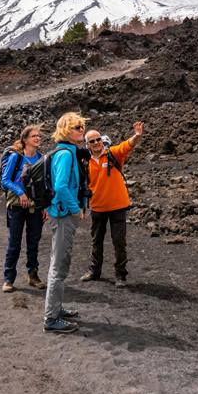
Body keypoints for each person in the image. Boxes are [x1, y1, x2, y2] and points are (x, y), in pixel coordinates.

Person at [80, 122, 143, 288]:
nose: (96, 143)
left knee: (119, 241)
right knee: (96, 241)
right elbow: (82, 185)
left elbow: (127, 145)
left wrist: (137, 135)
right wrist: (82, 206)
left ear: (102, 139)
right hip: (97, 207)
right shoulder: (84, 162)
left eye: (98, 139)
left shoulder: (113, 154)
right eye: (92, 141)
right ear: (87, 145)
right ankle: (94, 271)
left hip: (118, 206)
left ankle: (120, 275)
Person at [43, 112, 88, 334]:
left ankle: (56, 309)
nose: (81, 130)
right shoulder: (66, 154)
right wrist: (75, 208)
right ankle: (51, 318)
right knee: (59, 266)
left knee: (60, 263)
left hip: (62, 214)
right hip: (63, 215)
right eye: (76, 127)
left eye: (82, 127)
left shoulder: (70, 152)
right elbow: (60, 186)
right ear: (65, 131)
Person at [1, 124, 46, 293]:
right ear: (25, 139)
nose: (37, 138)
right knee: (14, 242)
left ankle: (33, 276)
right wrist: (20, 193)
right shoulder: (16, 158)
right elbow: (5, 180)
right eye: (34, 136)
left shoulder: (42, 158)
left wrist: (45, 207)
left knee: (33, 242)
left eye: (39, 136)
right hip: (17, 206)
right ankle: (8, 279)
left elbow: (44, 186)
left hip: (35, 207)